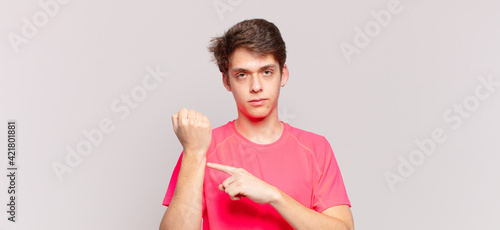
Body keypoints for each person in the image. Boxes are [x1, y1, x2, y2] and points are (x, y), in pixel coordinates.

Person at [159, 18, 354, 230]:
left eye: (266, 72)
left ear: (283, 74)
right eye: (242, 75)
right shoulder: (201, 147)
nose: (256, 86)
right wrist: (194, 154)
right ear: (227, 81)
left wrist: (273, 195)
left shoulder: (316, 148)